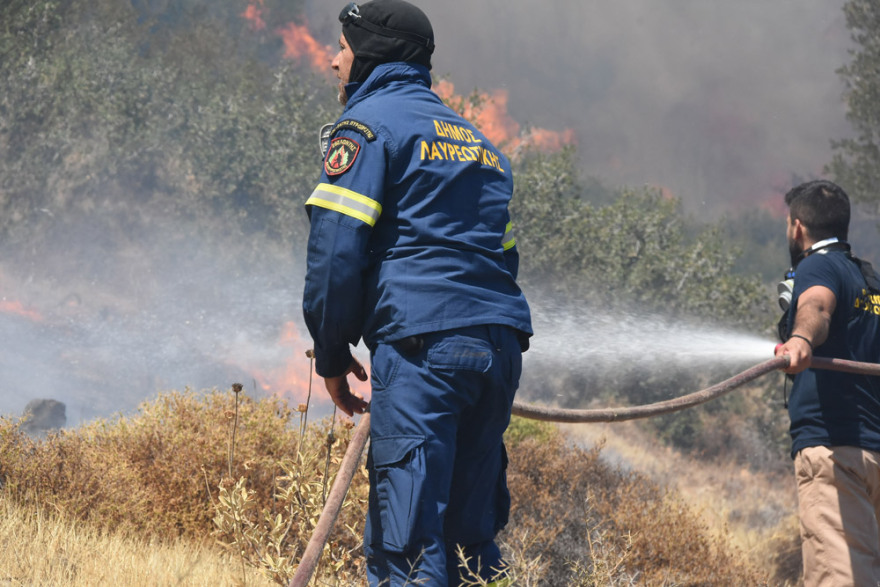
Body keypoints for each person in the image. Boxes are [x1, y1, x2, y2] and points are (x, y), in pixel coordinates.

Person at [301, 1, 533, 584]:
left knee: (406, 549)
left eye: (345, 48)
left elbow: (336, 252)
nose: (334, 61)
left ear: (374, 54)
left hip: (424, 349)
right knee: (470, 546)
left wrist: (331, 354)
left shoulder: (368, 128)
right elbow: (505, 258)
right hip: (498, 350)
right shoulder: (480, 145)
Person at [774, 179, 880, 586]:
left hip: (835, 455)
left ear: (798, 227)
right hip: (873, 456)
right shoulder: (869, 283)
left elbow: (816, 304)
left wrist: (799, 339)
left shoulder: (817, 266)